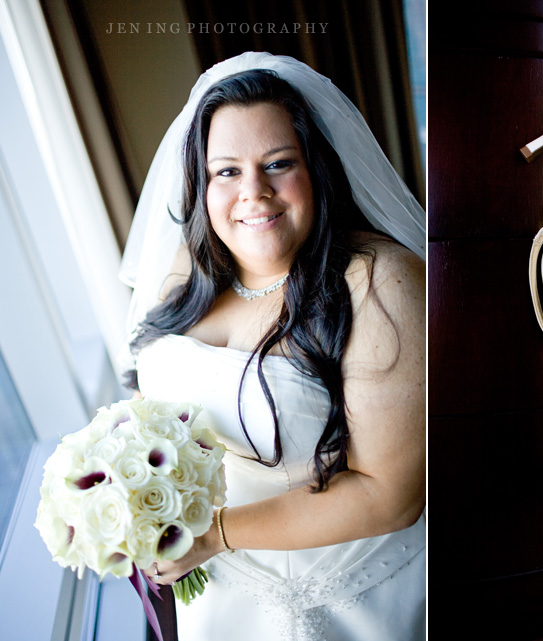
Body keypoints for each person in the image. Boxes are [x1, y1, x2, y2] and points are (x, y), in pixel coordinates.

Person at [119, 53, 425, 641]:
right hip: (215, 587)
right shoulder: (189, 272)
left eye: (278, 163)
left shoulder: (376, 282)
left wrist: (215, 534)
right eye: (226, 171)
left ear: (317, 168)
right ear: (200, 183)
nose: (253, 192)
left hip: (338, 591)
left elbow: (392, 498)